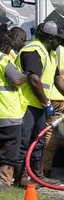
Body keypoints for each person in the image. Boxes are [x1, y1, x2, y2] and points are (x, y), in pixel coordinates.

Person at [14, 21, 64, 187]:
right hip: (25, 105)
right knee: (25, 142)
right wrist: (46, 102)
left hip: (37, 105)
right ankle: (21, 177)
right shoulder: (33, 51)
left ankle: (38, 175)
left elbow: (57, 79)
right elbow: (34, 79)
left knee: (38, 142)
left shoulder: (50, 53)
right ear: (49, 38)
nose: (59, 43)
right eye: (58, 39)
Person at [41, 42, 64, 178]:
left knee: (40, 132)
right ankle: (46, 168)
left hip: (43, 95)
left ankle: (39, 168)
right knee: (51, 132)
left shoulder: (41, 50)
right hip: (60, 96)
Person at [0, 33, 27, 190]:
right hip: (7, 114)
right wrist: (27, 75)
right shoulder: (3, 60)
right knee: (9, 152)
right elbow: (16, 80)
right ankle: (3, 186)